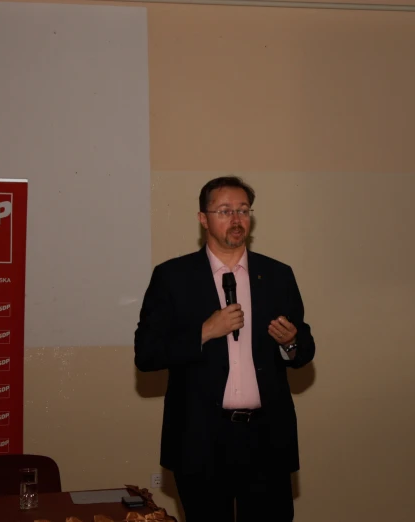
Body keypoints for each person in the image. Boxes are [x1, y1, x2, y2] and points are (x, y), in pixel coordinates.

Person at [134, 176, 315, 522]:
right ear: (203, 219)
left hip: (266, 439)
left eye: (243, 211)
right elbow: (147, 354)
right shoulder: (173, 277)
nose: (236, 219)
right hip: (201, 438)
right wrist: (204, 331)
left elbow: (303, 350)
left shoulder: (277, 275)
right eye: (225, 211)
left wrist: (290, 341)